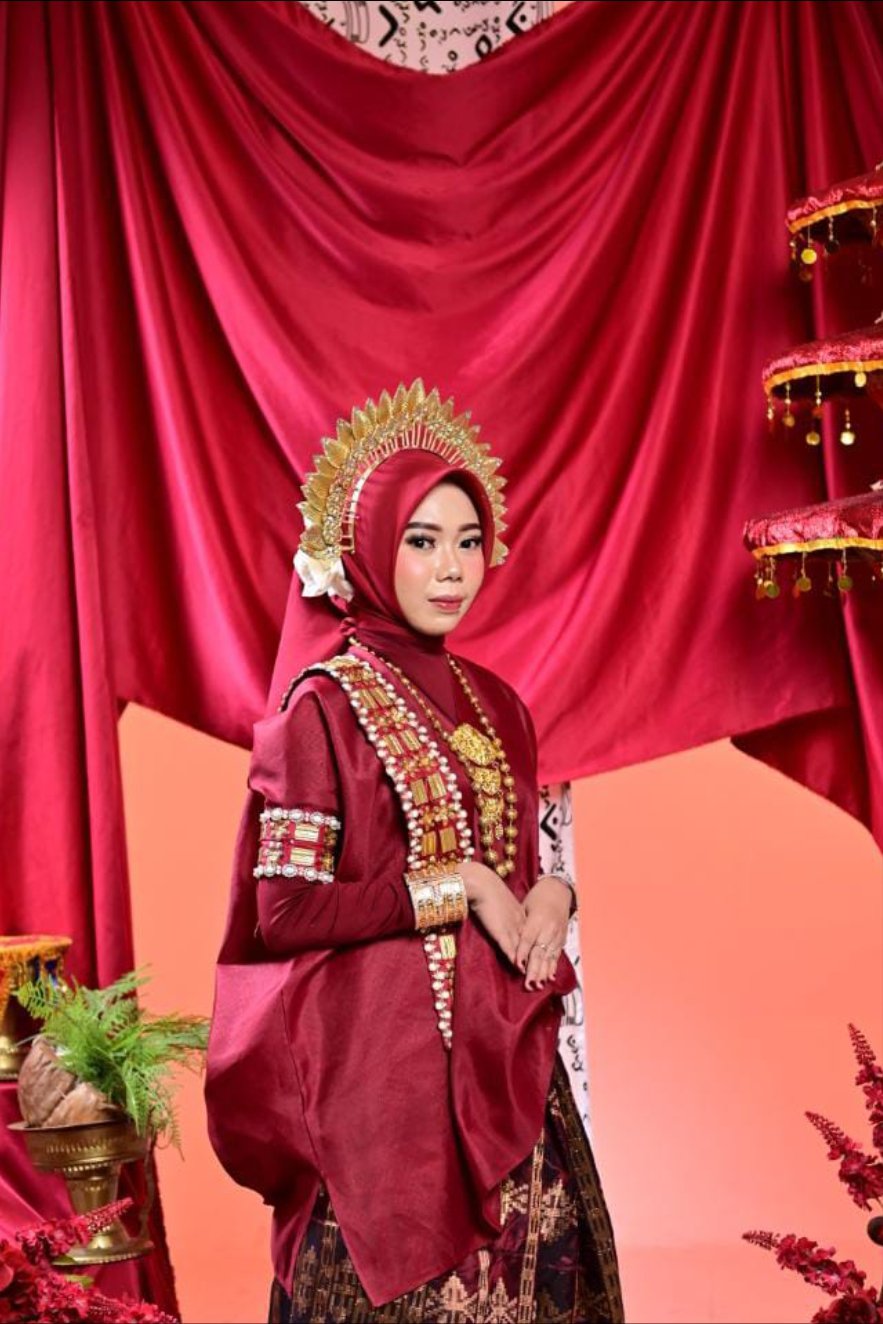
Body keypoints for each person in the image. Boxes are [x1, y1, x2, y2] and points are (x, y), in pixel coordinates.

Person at [205, 380, 623, 1323]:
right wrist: (457, 886)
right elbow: (285, 914)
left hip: (506, 1064)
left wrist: (552, 894)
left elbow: (517, 874)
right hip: (380, 1083)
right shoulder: (319, 710)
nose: (451, 571)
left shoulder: (499, 705)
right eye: (422, 542)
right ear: (367, 548)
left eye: (468, 543)